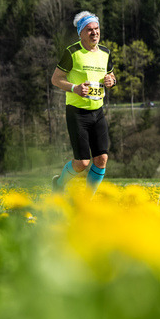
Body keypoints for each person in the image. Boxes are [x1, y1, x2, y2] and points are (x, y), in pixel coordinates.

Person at [50, 11, 116, 195]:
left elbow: (110, 75)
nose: (94, 33)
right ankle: (59, 184)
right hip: (77, 113)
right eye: (89, 30)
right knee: (82, 163)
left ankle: (87, 201)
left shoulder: (105, 53)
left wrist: (112, 81)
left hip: (98, 111)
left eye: (97, 29)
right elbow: (56, 79)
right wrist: (75, 88)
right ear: (81, 33)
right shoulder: (72, 52)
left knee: (102, 159)